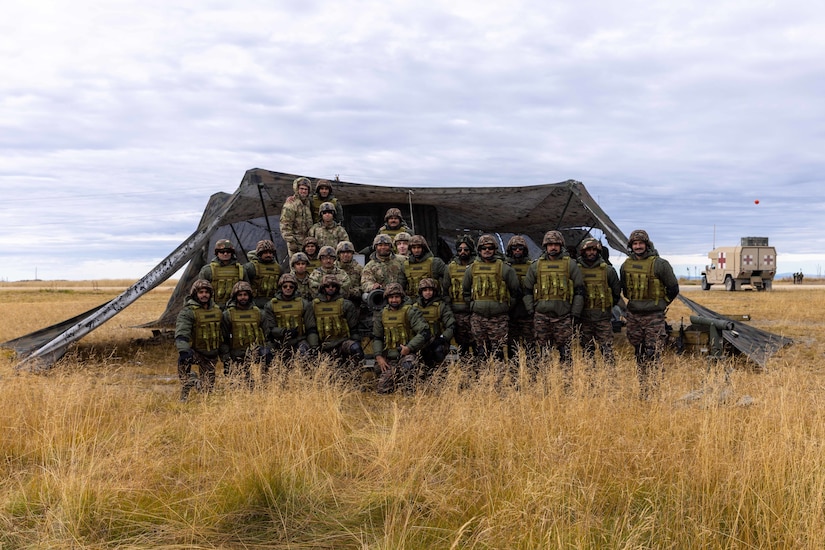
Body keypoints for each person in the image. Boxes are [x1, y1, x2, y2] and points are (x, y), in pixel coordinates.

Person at [620, 229, 679, 399]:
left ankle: (655, 387)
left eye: (641, 243)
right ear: (631, 246)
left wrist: (661, 303)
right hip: (634, 315)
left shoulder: (660, 264)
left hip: (653, 316)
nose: (638, 246)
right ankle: (643, 387)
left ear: (647, 244)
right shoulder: (626, 265)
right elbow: (625, 288)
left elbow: (673, 288)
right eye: (635, 244)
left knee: (653, 352)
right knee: (638, 352)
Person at [523, 230, 584, 389]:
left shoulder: (569, 264)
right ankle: (546, 385)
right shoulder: (536, 265)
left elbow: (579, 291)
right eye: (550, 245)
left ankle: (567, 385)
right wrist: (531, 311)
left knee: (565, 353)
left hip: (563, 317)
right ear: (545, 246)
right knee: (544, 353)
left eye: (556, 244)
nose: (553, 248)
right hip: (542, 316)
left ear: (560, 245)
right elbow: (527, 291)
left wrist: (575, 314)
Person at [461, 234, 521, 361]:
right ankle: (484, 378)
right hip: (478, 318)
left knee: (498, 352)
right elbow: (465, 291)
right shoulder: (472, 269)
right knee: (482, 352)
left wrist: (505, 308)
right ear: (479, 250)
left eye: (490, 247)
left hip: (498, 319)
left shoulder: (504, 268)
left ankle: (498, 378)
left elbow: (515, 291)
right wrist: (472, 306)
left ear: (495, 249)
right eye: (483, 248)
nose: (487, 250)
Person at [575, 238, 622, 383]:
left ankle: (610, 381)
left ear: (598, 251)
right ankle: (590, 381)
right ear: (583, 251)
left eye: (594, 250)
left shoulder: (608, 270)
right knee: (587, 352)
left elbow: (615, 293)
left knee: (607, 351)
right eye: (588, 250)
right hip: (584, 319)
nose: (591, 252)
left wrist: (605, 307)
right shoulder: (576, 269)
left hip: (602, 319)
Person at [373, 282, 430, 394]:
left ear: (401, 297)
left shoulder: (410, 311)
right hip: (390, 357)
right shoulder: (382, 314)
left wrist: (409, 347)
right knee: (382, 390)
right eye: (391, 297)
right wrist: (379, 356)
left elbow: (424, 332)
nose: (394, 300)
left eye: (397, 297)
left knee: (408, 371)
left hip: (407, 355)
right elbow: (377, 337)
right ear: (387, 299)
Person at [175, 279, 223, 401]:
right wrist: (184, 350)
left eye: (207, 292)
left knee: (207, 391)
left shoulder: (217, 311)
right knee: (183, 363)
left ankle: (195, 382)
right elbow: (182, 332)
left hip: (211, 354)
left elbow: (223, 333)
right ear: (195, 294)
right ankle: (185, 392)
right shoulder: (188, 311)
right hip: (195, 351)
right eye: (201, 292)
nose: (204, 295)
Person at [262, 273, 320, 368]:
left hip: (299, 340)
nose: (288, 288)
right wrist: (284, 332)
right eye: (285, 286)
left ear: (295, 288)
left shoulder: (303, 304)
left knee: (304, 354)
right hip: (278, 341)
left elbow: (311, 328)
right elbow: (269, 329)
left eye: (291, 286)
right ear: (281, 288)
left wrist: (314, 347)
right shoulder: (271, 305)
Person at [220, 281, 267, 390]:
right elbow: (223, 339)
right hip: (236, 354)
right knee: (238, 386)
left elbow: (267, 334)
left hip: (256, 352)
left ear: (249, 296)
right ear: (235, 297)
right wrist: (226, 358)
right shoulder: (228, 314)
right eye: (240, 295)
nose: (243, 298)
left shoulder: (259, 313)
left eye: (245, 295)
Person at [312, 274, 364, 369]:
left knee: (356, 348)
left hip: (342, 342)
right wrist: (315, 348)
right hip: (323, 344)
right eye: (327, 286)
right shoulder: (314, 305)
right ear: (322, 288)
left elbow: (353, 329)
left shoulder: (346, 304)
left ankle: (355, 374)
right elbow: (312, 329)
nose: (330, 288)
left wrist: (356, 342)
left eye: (333, 286)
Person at [412, 277, 455, 373]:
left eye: (430, 290)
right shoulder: (414, 307)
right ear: (421, 292)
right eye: (425, 290)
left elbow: (451, 325)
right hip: (419, 342)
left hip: (438, 341)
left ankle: (440, 376)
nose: (428, 292)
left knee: (438, 352)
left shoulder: (441, 306)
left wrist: (442, 338)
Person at [445, 235, 476, 355]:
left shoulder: (476, 265)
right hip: (456, 311)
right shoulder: (451, 267)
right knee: (461, 345)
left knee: (476, 343)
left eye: (466, 249)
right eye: (460, 250)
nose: (463, 252)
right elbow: (445, 289)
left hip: (472, 311)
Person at [198, 239, 248, 309]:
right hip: (213, 308)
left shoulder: (240, 270)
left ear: (232, 253)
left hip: (235, 308)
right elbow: (199, 292)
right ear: (217, 253)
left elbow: (247, 291)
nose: (225, 254)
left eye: (228, 251)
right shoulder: (207, 270)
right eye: (222, 252)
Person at [505, 235, 534, 354]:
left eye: (520, 248)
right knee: (512, 348)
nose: (517, 251)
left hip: (527, 313)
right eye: (514, 248)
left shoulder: (531, 266)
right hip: (511, 313)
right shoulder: (505, 267)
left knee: (530, 347)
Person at [399, 235, 448, 299]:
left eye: (418, 247)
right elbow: (401, 286)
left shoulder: (435, 263)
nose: (416, 250)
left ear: (423, 248)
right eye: (414, 248)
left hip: (433, 301)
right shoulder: (406, 265)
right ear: (410, 249)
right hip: (413, 302)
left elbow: (448, 279)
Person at [280, 176, 314, 256]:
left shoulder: (308, 203)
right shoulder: (290, 205)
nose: (303, 191)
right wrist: (291, 241)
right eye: (301, 189)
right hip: (295, 242)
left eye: (306, 189)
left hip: (308, 243)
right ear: (297, 189)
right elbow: (285, 225)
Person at [245, 239, 282, 308]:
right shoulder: (251, 267)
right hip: (255, 303)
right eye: (265, 253)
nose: (268, 255)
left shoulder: (278, 269)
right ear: (260, 253)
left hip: (273, 303)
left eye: (270, 253)